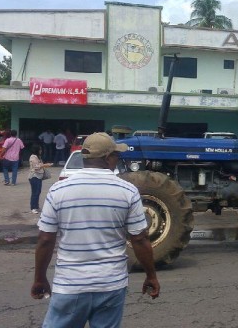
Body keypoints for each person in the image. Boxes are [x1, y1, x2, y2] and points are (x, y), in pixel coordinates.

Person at [31, 132, 159, 327]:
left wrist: (40, 278)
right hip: (111, 285)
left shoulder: (58, 191)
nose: (118, 159)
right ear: (108, 158)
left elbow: (45, 240)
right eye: (116, 155)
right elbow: (140, 240)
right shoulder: (127, 191)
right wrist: (151, 276)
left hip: (70, 285)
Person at [28, 145, 52, 214]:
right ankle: (33, 207)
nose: (41, 151)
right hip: (34, 176)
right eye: (40, 150)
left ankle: (36, 206)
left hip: (39, 176)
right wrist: (45, 165)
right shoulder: (33, 157)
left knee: (38, 192)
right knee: (35, 193)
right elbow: (36, 167)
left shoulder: (38, 157)